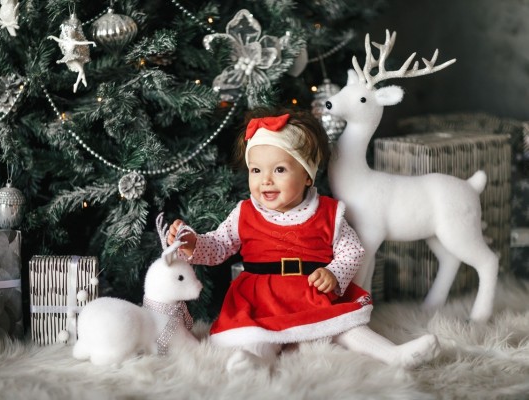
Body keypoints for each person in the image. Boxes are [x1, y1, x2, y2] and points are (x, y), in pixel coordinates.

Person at [167, 107, 440, 372]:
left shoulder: (327, 212)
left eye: (280, 170)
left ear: (307, 176)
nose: (266, 181)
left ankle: (393, 354)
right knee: (256, 334)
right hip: (260, 297)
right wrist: (194, 243)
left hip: (312, 290)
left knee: (348, 328)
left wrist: (334, 273)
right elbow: (219, 246)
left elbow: (352, 251)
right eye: (256, 171)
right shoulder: (244, 213)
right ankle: (256, 362)